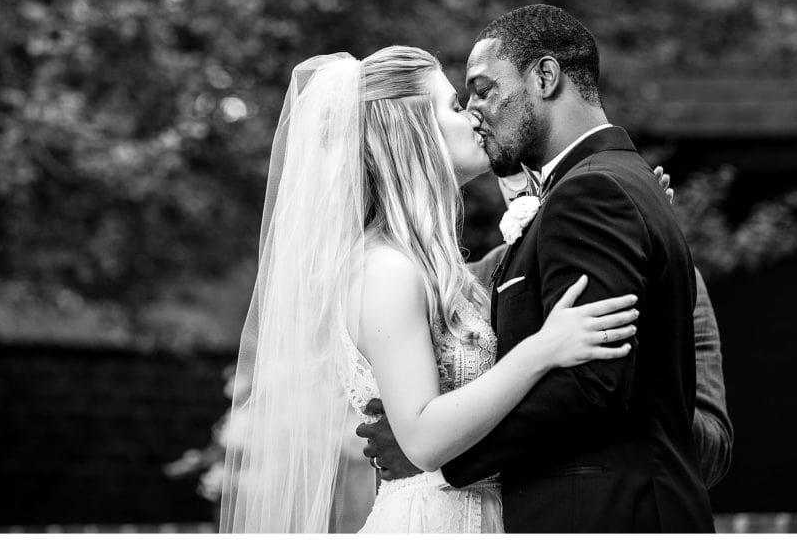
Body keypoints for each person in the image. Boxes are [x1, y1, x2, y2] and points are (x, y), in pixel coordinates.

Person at [218, 47, 642, 533]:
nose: (476, 115)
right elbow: (420, 437)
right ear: (412, 132)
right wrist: (542, 351)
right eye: (455, 106)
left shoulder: (435, 269)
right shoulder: (384, 271)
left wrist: (629, 226)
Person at [357, 5, 717, 532]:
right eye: (461, 102)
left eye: (481, 91)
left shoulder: (593, 192)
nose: (476, 111)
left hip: (606, 513)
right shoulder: (588, 195)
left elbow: (593, 384)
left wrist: (439, 460)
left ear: (545, 77)